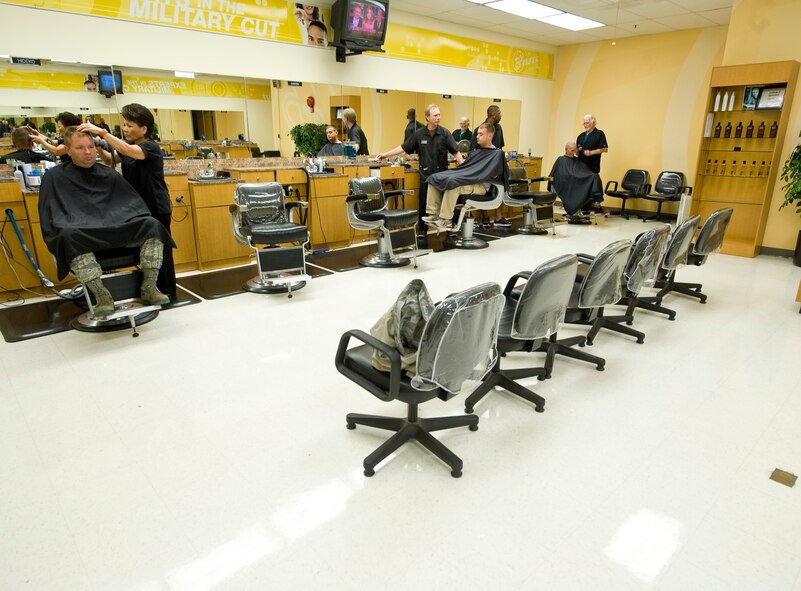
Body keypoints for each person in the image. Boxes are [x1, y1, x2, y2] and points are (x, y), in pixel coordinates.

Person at [38, 128, 174, 317]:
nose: (87, 152)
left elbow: (131, 206)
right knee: (68, 236)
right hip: (83, 232)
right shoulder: (54, 177)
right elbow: (52, 216)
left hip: (115, 227)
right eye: (80, 148)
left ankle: (149, 287)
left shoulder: (108, 174)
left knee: (152, 225)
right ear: (67, 150)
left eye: (91, 147)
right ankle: (102, 296)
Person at [78, 103, 177, 302]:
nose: (125, 129)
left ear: (144, 129)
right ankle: (150, 288)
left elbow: (130, 152)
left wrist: (103, 133)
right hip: (139, 207)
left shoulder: (150, 147)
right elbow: (110, 160)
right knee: (147, 249)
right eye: (124, 124)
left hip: (156, 206)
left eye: (130, 125)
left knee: (162, 250)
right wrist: (98, 147)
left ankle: (167, 291)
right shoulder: (128, 147)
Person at [377, 104, 463, 239]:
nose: (438, 117)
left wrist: (463, 166)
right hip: (426, 176)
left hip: (442, 176)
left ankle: (449, 229)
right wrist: (386, 154)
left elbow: (455, 151)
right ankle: (423, 230)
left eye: (439, 115)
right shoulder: (419, 134)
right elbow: (404, 147)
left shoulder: (445, 133)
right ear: (427, 117)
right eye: (435, 115)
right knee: (423, 204)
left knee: (445, 205)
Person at [422, 122, 507, 231]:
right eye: (477, 134)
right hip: (469, 181)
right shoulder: (476, 152)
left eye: (481, 134)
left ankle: (445, 220)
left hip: (481, 186)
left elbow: (496, 174)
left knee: (454, 184)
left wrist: (472, 175)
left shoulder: (497, 154)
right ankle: (433, 214)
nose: (477, 136)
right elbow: (468, 169)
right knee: (434, 178)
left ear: (489, 136)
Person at [470, 104, 509, 227]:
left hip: (496, 166)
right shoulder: (479, 130)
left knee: (499, 188)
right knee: (483, 190)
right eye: (499, 113)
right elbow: (473, 151)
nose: (501, 115)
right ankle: (485, 217)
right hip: (484, 167)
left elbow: (500, 147)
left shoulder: (499, 129)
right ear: (493, 115)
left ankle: (498, 217)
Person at [549, 141, 603, 223]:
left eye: (575, 150)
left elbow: (583, 172)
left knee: (595, 177)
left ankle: (597, 201)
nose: (574, 152)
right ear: (566, 150)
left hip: (576, 182)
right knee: (574, 182)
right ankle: (574, 212)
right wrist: (572, 176)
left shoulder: (577, 160)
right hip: (565, 183)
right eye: (572, 150)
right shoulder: (561, 160)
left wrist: (581, 177)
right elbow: (556, 175)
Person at [576, 113, 608, 213]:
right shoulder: (581, 136)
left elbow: (605, 149)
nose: (585, 125)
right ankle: (582, 205)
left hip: (592, 165)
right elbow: (577, 151)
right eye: (584, 123)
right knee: (582, 185)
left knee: (595, 182)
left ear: (593, 122)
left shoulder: (599, 134)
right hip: (581, 166)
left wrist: (591, 152)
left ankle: (597, 203)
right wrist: (577, 150)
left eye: (587, 123)